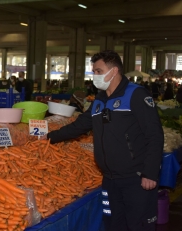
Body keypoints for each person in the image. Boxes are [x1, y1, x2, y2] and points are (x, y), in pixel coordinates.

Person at [41, 50, 163, 231]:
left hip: (136, 179)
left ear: (113, 71)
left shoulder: (136, 95)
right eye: (93, 71)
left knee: (140, 226)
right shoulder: (99, 100)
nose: (94, 75)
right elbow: (79, 126)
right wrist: (49, 137)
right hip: (110, 180)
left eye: (98, 71)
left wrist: (150, 173)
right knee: (113, 225)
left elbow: (155, 134)